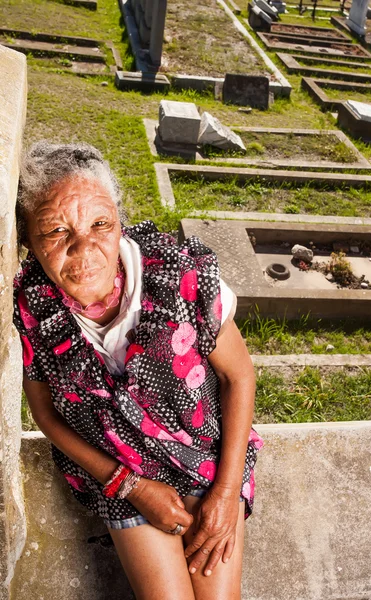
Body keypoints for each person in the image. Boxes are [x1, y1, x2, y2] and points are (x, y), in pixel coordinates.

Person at [13, 142, 263, 600]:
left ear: (119, 222)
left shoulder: (182, 275)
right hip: (118, 470)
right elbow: (45, 414)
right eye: (54, 231)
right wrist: (128, 485)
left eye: (100, 224)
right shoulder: (31, 308)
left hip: (207, 465)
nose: (84, 249)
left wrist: (226, 495)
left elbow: (238, 377)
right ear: (28, 242)